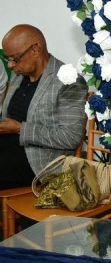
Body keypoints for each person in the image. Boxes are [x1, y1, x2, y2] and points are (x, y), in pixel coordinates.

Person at [0, 24, 88, 189]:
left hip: (40, 163)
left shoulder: (69, 81)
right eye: (7, 59)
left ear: (35, 50)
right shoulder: (19, 75)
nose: (10, 65)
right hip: (8, 149)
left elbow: (70, 137)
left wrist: (19, 129)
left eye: (14, 59)